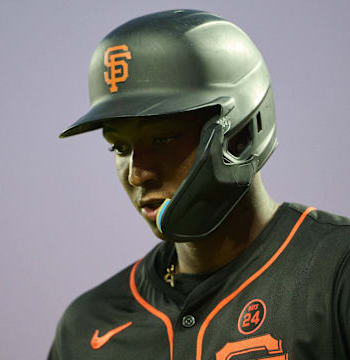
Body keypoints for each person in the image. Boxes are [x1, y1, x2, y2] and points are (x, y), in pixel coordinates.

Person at [48, 9, 350, 360]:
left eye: (162, 139)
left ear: (239, 135)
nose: (137, 174)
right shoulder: (86, 327)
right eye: (120, 147)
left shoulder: (336, 272)